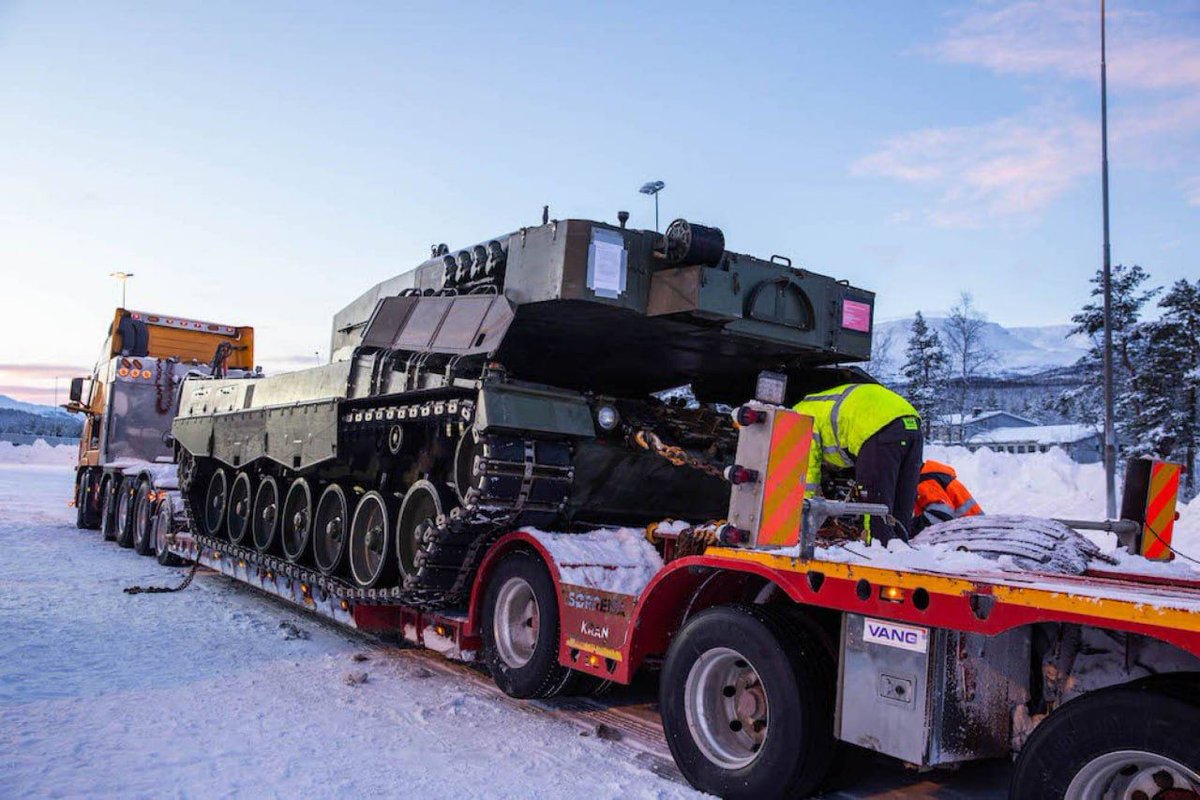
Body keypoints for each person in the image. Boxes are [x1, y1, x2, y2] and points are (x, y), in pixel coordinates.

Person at [794, 380, 923, 544]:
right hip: (912, 423)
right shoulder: (820, 404)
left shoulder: (799, 416)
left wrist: (804, 512)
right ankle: (900, 546)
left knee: (874, 505)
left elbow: (807, 472)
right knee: (902, 499)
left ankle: (877, 549)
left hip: (877, 427)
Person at [912, 460, 983, 535]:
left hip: (972, 535)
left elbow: (941, 515)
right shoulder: (930, 476)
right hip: (976, 530)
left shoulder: (925, 481)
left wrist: (910, 528)